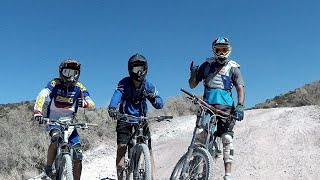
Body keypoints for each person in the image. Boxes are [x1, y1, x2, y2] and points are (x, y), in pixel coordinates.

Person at [188, 37, 245, 180]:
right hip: (207, 105)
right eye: (218, 49)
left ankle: (228, 174)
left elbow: (240, 88)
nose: (221, 52)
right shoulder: (206, 65)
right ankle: (193, 166)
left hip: (225, 108)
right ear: (214, 50)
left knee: (226, 138)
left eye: (224, 49)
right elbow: (192, 85)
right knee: (201, 134)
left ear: (228, 50)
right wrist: (193, 74)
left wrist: (240, 105)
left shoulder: (233, 68)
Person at [33, 59, 95, 180]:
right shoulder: (55, 83)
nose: (70, 76)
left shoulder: (79, 86)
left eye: (74, 73)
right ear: (61, 72)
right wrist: (37, 111)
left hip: (70, 124)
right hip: (53, 121)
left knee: (78, 155)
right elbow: (42, 94)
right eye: (67, 72)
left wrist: (85, 104)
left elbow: (92, 103)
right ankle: (49, 166)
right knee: (55, 140)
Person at [108, 53, 164, 180]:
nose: (139, 72)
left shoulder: (148, 85)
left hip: (141, 120)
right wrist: (112, 108)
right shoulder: (124, 83)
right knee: (122, 147)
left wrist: (154, 99)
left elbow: (160, 103)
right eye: (135, 68)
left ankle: (151, 176)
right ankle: (120, 176)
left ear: (145, 69)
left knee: (149, 150)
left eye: (141, 69)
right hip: (124, 118)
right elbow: (117, 95)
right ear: (130, 70)